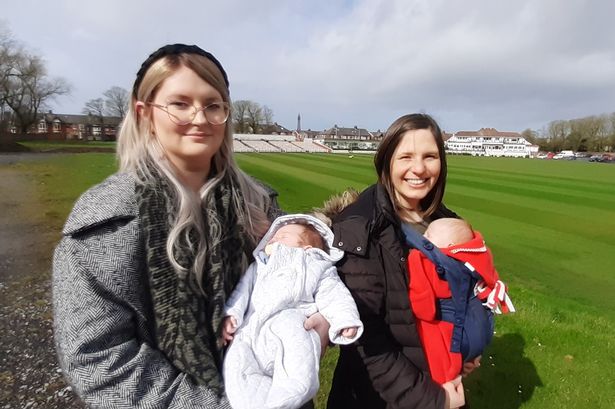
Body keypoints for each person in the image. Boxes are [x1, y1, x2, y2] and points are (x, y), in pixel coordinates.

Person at [52, 44, 329, 409]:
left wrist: (316, 325)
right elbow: (100, 362)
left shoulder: (260, 204)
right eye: (180, 103)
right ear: (145, 113)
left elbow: (289, 286)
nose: (199, 118)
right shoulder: (105, 226)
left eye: (213, 105)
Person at [325, 113, 475, 409]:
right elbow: (366, 344)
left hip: (442, 380)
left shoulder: (447, 222)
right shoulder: (357, 228)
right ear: (387, 162)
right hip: (377, 398)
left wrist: (468, 349)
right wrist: (435, 399)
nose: (418, 168)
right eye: (406, 156)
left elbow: (466, 300)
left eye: (430, 156)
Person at [221, 213, 363, 409]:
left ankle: (283, 402)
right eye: (274, 236)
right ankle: (248, 403)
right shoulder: (260, 265)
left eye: (284, 236)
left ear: (307, 248)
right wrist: (232, 314)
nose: (275, 239)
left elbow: (335, 295)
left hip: (291, 324)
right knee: (237, 364)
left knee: (299, 372)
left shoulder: (317, 266)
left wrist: (345, 319)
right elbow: (242, 292)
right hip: (252, 326)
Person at [405, 217, 515, 385]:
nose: (423, 237)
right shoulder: (475, 260)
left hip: (446, 337)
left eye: (428, 234)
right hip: (476, 329)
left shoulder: (425, 262)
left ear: (449, 247)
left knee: (439, 372)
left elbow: (424, 308)